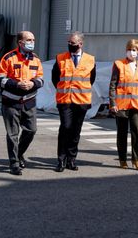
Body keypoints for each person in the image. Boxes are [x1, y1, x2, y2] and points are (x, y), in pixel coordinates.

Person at [0, 31, 45, 175]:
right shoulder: (8, 58)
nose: (32, 42)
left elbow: (41, 79)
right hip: (11, 102)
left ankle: (18, 153)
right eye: (29, 40)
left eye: (33, 40)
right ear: (20, 42)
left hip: (29, 102)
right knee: (13, 134)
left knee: (31, 130)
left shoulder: (36, 59)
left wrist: (32, 83)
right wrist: (16, 84)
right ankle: (14, 164)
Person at [52, 32, 96, 172]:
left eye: (73, 43)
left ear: (80, 44)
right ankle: (61, 160)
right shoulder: (60, 58)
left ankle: (71, 159)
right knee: (65, 127)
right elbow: (55, 78)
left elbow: (91, 79)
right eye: (69, 42)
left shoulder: (90, 60)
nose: (70, 45)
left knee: (76, 131)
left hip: (81, 101)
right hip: (65, 100)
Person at [110, 39, 138, 170]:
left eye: (134, 50)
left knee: (136, 132)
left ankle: (136, 160)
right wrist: (112, 103)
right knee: (122, 133)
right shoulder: (119, 64)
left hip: (137, 105)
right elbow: (113, 85)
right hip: (121, 105)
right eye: (129, 49)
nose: (131, 52)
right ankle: (122, 159)